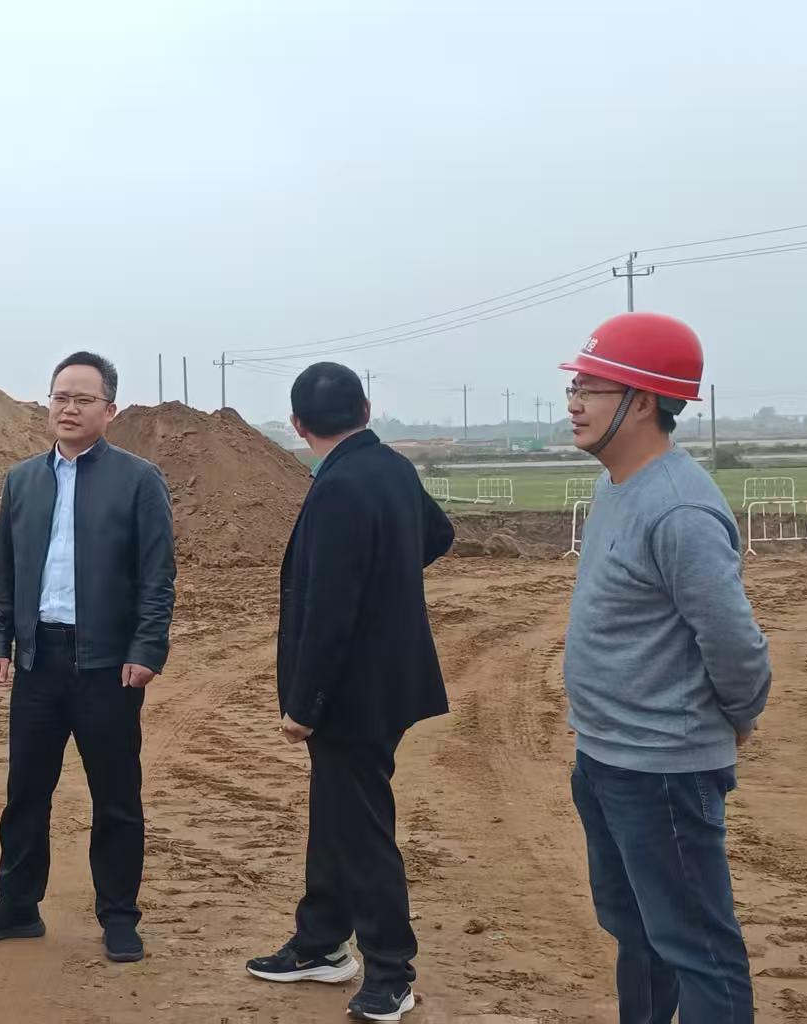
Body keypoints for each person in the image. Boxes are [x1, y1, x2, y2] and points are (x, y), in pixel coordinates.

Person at [560, 312, 771, 1023]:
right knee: (638, 933)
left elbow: (735, 644)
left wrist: (736, 717)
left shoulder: (679, 509)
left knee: (696, 947)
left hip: (663, 770)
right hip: (604, 757)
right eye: (574, 388)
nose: (574, 404)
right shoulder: (617, 485)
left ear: (644, 401)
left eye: (591, 389)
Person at [244, 362, 452, 1022]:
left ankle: (391, 971)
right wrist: (390, 577)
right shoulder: (391, 468)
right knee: (338, 812)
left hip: (350, 694)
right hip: (388, 681)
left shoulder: (337, 487)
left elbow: (330, 613)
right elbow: (440, 534)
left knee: (361, 829)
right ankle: (321, 941)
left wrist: (304, 707)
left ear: (297, 425)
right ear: (365, 410)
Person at [0, 352, 176, 964]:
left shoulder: (139, 480)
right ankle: (17, 906)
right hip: (38, 664)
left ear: (110, 410)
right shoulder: (23, 480)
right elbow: (2, 573)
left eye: (84, 399)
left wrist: (147, 648)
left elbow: (157, 577)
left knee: (116, 796)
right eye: (61, 397)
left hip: (108, 668)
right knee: (26, 792)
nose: (70, 409)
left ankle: (119, 916)